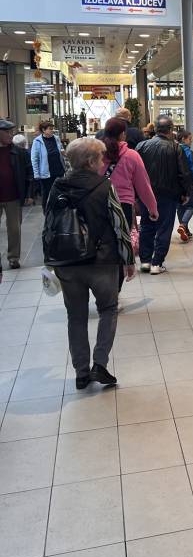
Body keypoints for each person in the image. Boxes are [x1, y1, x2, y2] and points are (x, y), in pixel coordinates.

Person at [44, 138, 135, 390]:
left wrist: (49, 261)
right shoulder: (105, 186)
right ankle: (100, 364)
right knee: (108, 309)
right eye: (101, 157)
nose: (103, 161)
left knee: (76, 316)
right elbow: (119, 224)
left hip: (67, 262)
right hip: (102, 261)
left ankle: (81, 373)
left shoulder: (57, 186)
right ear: (91, 161)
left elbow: (49, 223)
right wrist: (128, 259)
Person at [136, 116, 193, 274]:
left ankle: (145, 261)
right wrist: (186, 193)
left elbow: (134, 171)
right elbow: (184, 173)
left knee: (146, 225)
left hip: (145, 194)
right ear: (171, 130)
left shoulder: (141, 146)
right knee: (164, 228)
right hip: (168, 194)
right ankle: (157, 263)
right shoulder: (176, 148)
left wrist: (136, 194)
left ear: (155, 129)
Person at [101, 117, 158, 231]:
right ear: (122, 134)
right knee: (122, 240)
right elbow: (143, 185)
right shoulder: (132, 155)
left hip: (99, 203)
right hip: (123, 205)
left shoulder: (96, 153)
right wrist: (152, 208)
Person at [0, 118, 32, 271]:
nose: (10, 134)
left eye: (11, 131)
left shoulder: (19, 152)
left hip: (13, 197)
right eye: (7, 132)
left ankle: (13, 258)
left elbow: (28, 173)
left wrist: (29, 194)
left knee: (14, 230)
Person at [31, 121, 66, 211]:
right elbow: (34, 159)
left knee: (58, 192)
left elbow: (61, 150)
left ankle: (58, 211)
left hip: (59, 170)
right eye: (50, 129)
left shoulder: (56, 138)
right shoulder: (37, 141)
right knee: (47, 193)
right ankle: (47, 211)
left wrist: (63, 152)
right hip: (46, 173)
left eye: (52, 128)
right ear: (43, 130)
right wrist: (36, 174)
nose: (52, 130)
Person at [176, 129, 193, 241]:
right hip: (188, 181)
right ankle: (183, 224)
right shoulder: (187, 151)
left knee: (180, 206)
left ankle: (185, 230)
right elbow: (191, 167)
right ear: (183, 139)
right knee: (191, 206)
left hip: (177, 182)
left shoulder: (173, 149)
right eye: (189, 139)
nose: (191, 141)